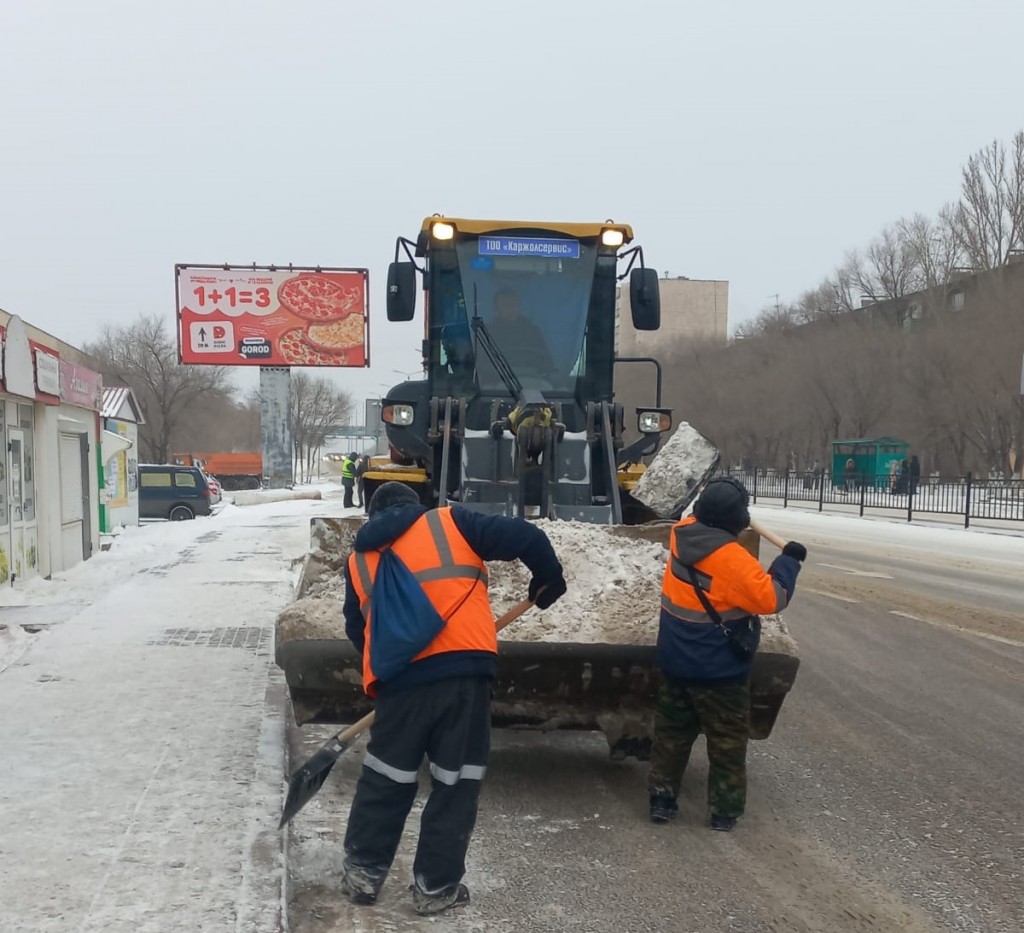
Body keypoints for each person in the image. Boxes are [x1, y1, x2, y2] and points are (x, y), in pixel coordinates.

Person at [339, 481, 567, 914]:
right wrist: (548, 577)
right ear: (416, 507)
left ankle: (363, 874)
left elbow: (358, 631)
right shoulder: (450, 522)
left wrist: (396, 663)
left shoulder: (359, 560)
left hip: (399, 682)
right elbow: (527, 537)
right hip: (464, 674)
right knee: (455, 782)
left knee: (386, 777)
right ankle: (435, 888)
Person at [647, 477, 805, 832]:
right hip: (719, 672)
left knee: (671, 736)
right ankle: (724, 811)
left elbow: (695, 514)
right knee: (727, 743)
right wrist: (790, 561)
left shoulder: (680, 535)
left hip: (675, 661)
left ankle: (661, 800)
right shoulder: (733, 560)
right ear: (736, 520)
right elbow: (772, 598)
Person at [484, 289, 555, 376]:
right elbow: (481, 364)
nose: (511, 309)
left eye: (514, 305)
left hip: (533, 379)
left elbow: (547, 361)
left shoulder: (532, 331)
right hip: (498, 380)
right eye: (506, 305)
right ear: (496, 308)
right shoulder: (486, 333)